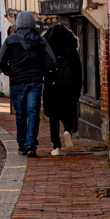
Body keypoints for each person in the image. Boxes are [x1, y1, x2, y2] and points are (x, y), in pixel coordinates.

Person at [0, 11, 56, 157]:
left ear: (17, 24)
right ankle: (31, 144)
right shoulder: (40, 41)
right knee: (33, 112)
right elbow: (52, 61)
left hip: (17, 82)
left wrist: (11, 72)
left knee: (21, 114)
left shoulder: (10, 41)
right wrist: (39, 71)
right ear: (32, 24)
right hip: (35, 82)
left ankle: (22, 144)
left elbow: (1, 61)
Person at [43, 24, 82, 156]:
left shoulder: (49, 52)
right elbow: (78, 72)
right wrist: (77, 91)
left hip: (53, 86)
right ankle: (68, 131)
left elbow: (45, 71)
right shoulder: (72, 51)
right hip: (68, 86)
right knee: (67, 113)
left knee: (54, 118)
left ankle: (56, 147)